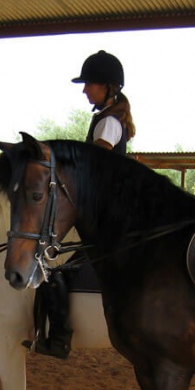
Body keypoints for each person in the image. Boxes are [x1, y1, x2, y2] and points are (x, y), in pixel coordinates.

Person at [27, 50, 136, 359]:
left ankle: (60, 336)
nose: (85, 90)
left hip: (104, 213)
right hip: (103, 208)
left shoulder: (108, 124)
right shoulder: (106, 119)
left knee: (56, 269)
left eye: (90, 84)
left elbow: (92, 165)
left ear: (108, 87)